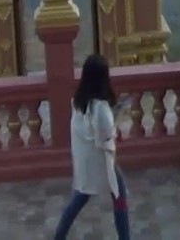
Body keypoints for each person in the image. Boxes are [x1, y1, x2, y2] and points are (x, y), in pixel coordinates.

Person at [53, 54, 130, 240]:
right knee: (118, 196)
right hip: (100, 160)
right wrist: (118, 120)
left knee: (81, 195)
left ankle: (59, 236)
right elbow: (104, 137)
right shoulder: (101, 107)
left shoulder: (79, 101)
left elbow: (86, 130)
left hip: (85, 160)